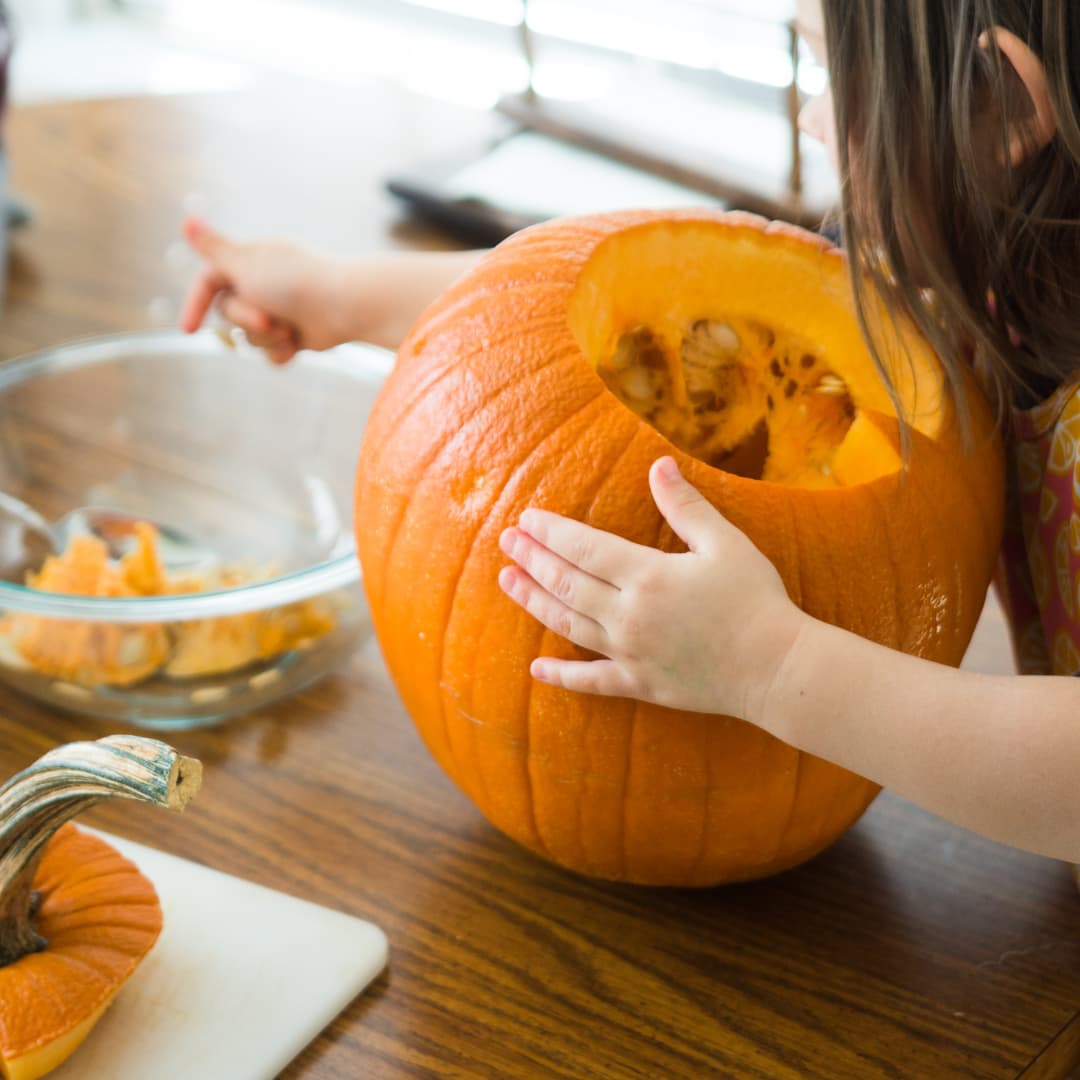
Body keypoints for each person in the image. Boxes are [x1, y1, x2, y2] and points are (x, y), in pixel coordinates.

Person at [182, 0, 1080, 866]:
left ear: (997, 100)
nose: (812, 118)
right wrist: (339, 297)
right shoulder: (984, 275)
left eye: (828, 66)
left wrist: (772, 665)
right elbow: (537, 319)